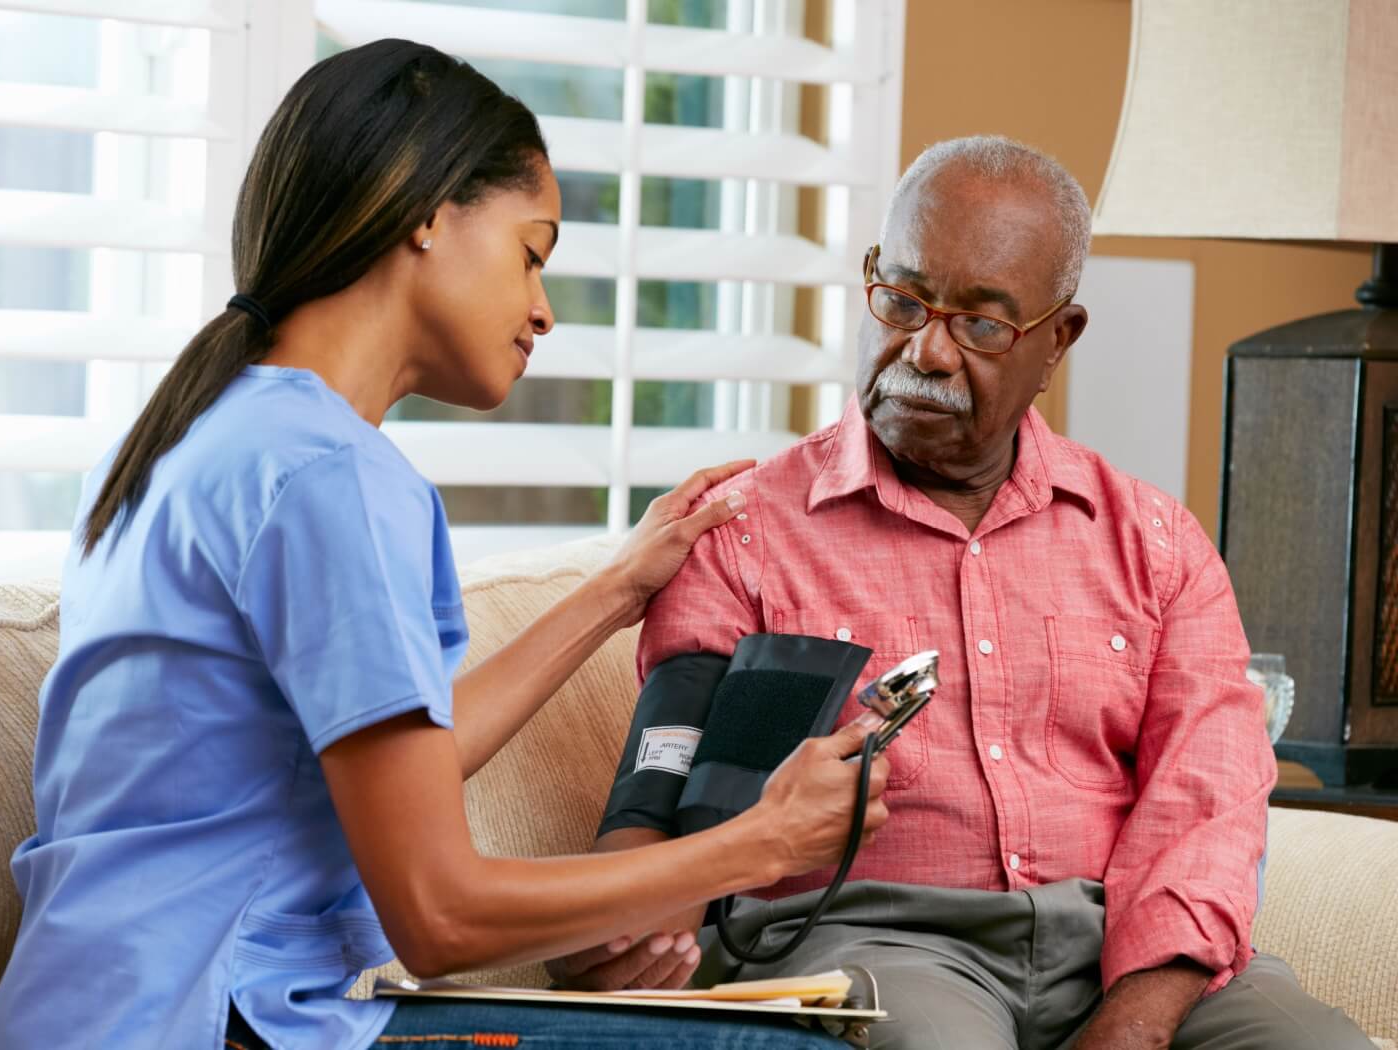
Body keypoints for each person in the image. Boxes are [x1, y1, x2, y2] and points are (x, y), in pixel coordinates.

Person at [0, 38, 890, 1050]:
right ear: (426, 210)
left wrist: (615, 591)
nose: (542, 308)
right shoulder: (331, 477)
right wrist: (758, 844)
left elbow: (406, 759)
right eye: (531, 252)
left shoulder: (195, 438)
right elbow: (439, 914)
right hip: (211, 1021)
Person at [559, 136, 1373, 1050]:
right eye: (902, 300)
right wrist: (616, 909)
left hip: (1120, 948)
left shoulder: (1155, 544)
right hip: (872, 943)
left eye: (982, 325)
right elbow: (661, 779)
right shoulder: (743, 532)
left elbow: (1208, 802)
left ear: (1058, 339)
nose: (928, 352)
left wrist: (1136, 1024)